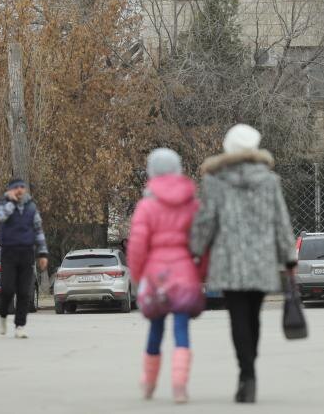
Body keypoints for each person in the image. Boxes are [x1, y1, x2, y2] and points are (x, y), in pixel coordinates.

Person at [190, 124, 298, 403]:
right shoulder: (270, 181)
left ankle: (246, 374)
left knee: (237, 317)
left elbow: (206, 220)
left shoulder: (215, 181)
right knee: (254, 317)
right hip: (262, 260)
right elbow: (281, 221)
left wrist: (195, 250)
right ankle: (250, 370)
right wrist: (289, 257)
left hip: (229, 261)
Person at [127, 148, 205, 404]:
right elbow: (202, 242)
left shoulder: (146, 206)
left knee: (155, 328)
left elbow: (137, 245)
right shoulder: (191, 204)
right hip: (184, 272)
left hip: (155, 276)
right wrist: (200, 272)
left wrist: (137, 276)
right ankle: (180, 386)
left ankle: (148, 383)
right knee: (182, 330)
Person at [0, 178, 48, 338]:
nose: (19, 190)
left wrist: (42, 253)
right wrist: (11, 202)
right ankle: (3, 317)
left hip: (26, 253)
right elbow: (1, 217)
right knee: (7, 289)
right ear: (10, 189)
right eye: (16, 187)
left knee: (25, 292)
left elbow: (38, 230)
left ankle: (20, 326)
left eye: (22, 187)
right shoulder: (3, 204)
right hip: (9, 252)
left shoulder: (31, 207)